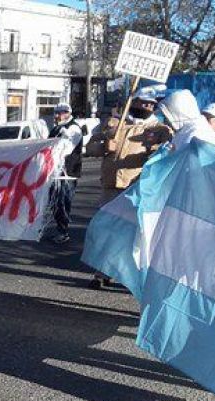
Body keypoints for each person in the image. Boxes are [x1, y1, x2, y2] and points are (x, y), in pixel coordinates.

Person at [90, 86, 173, 289]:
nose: (146, 107)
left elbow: (167, 155)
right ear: (133, 102)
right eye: (143, 103)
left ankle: (131, 275)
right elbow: (91, 147)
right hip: (111, 186)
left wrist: (150, 153)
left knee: (134, 233)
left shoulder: (160, 130)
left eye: (151, 105)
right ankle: (103, 271)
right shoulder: (113, 124)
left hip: (135, 188)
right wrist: (103, 147)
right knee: (107, 229)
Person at [48, 102, 84, 245]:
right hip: (55, 171)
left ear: (67, 113)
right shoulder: (56, 128)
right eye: (56, 113)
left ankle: (63, 231)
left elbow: (66, 149)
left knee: (63, 201)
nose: (57, 116)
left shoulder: (73, 128)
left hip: (67, 171)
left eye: (60, 113)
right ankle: (60, 228)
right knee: (55, 201)